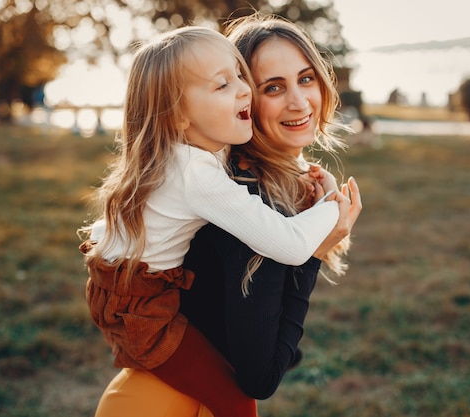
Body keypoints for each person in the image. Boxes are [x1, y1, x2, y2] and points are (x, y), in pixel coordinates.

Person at [91, 14, 362, 416]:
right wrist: (328, 223)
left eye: (306, 78)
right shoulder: (237, 195)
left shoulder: (213, 157)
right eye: (270, 87)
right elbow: (260, 378)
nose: (299, 101)